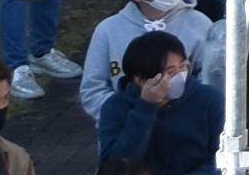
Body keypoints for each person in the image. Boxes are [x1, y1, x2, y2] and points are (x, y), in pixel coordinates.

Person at [95, 27, 226, 175]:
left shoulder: (210, 100)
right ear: (141, 80)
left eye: (182, 66)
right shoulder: (115, 107)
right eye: (170, 72)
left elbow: (221, 158)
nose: (180, 75)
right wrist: (146, 108)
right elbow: (117, 163)